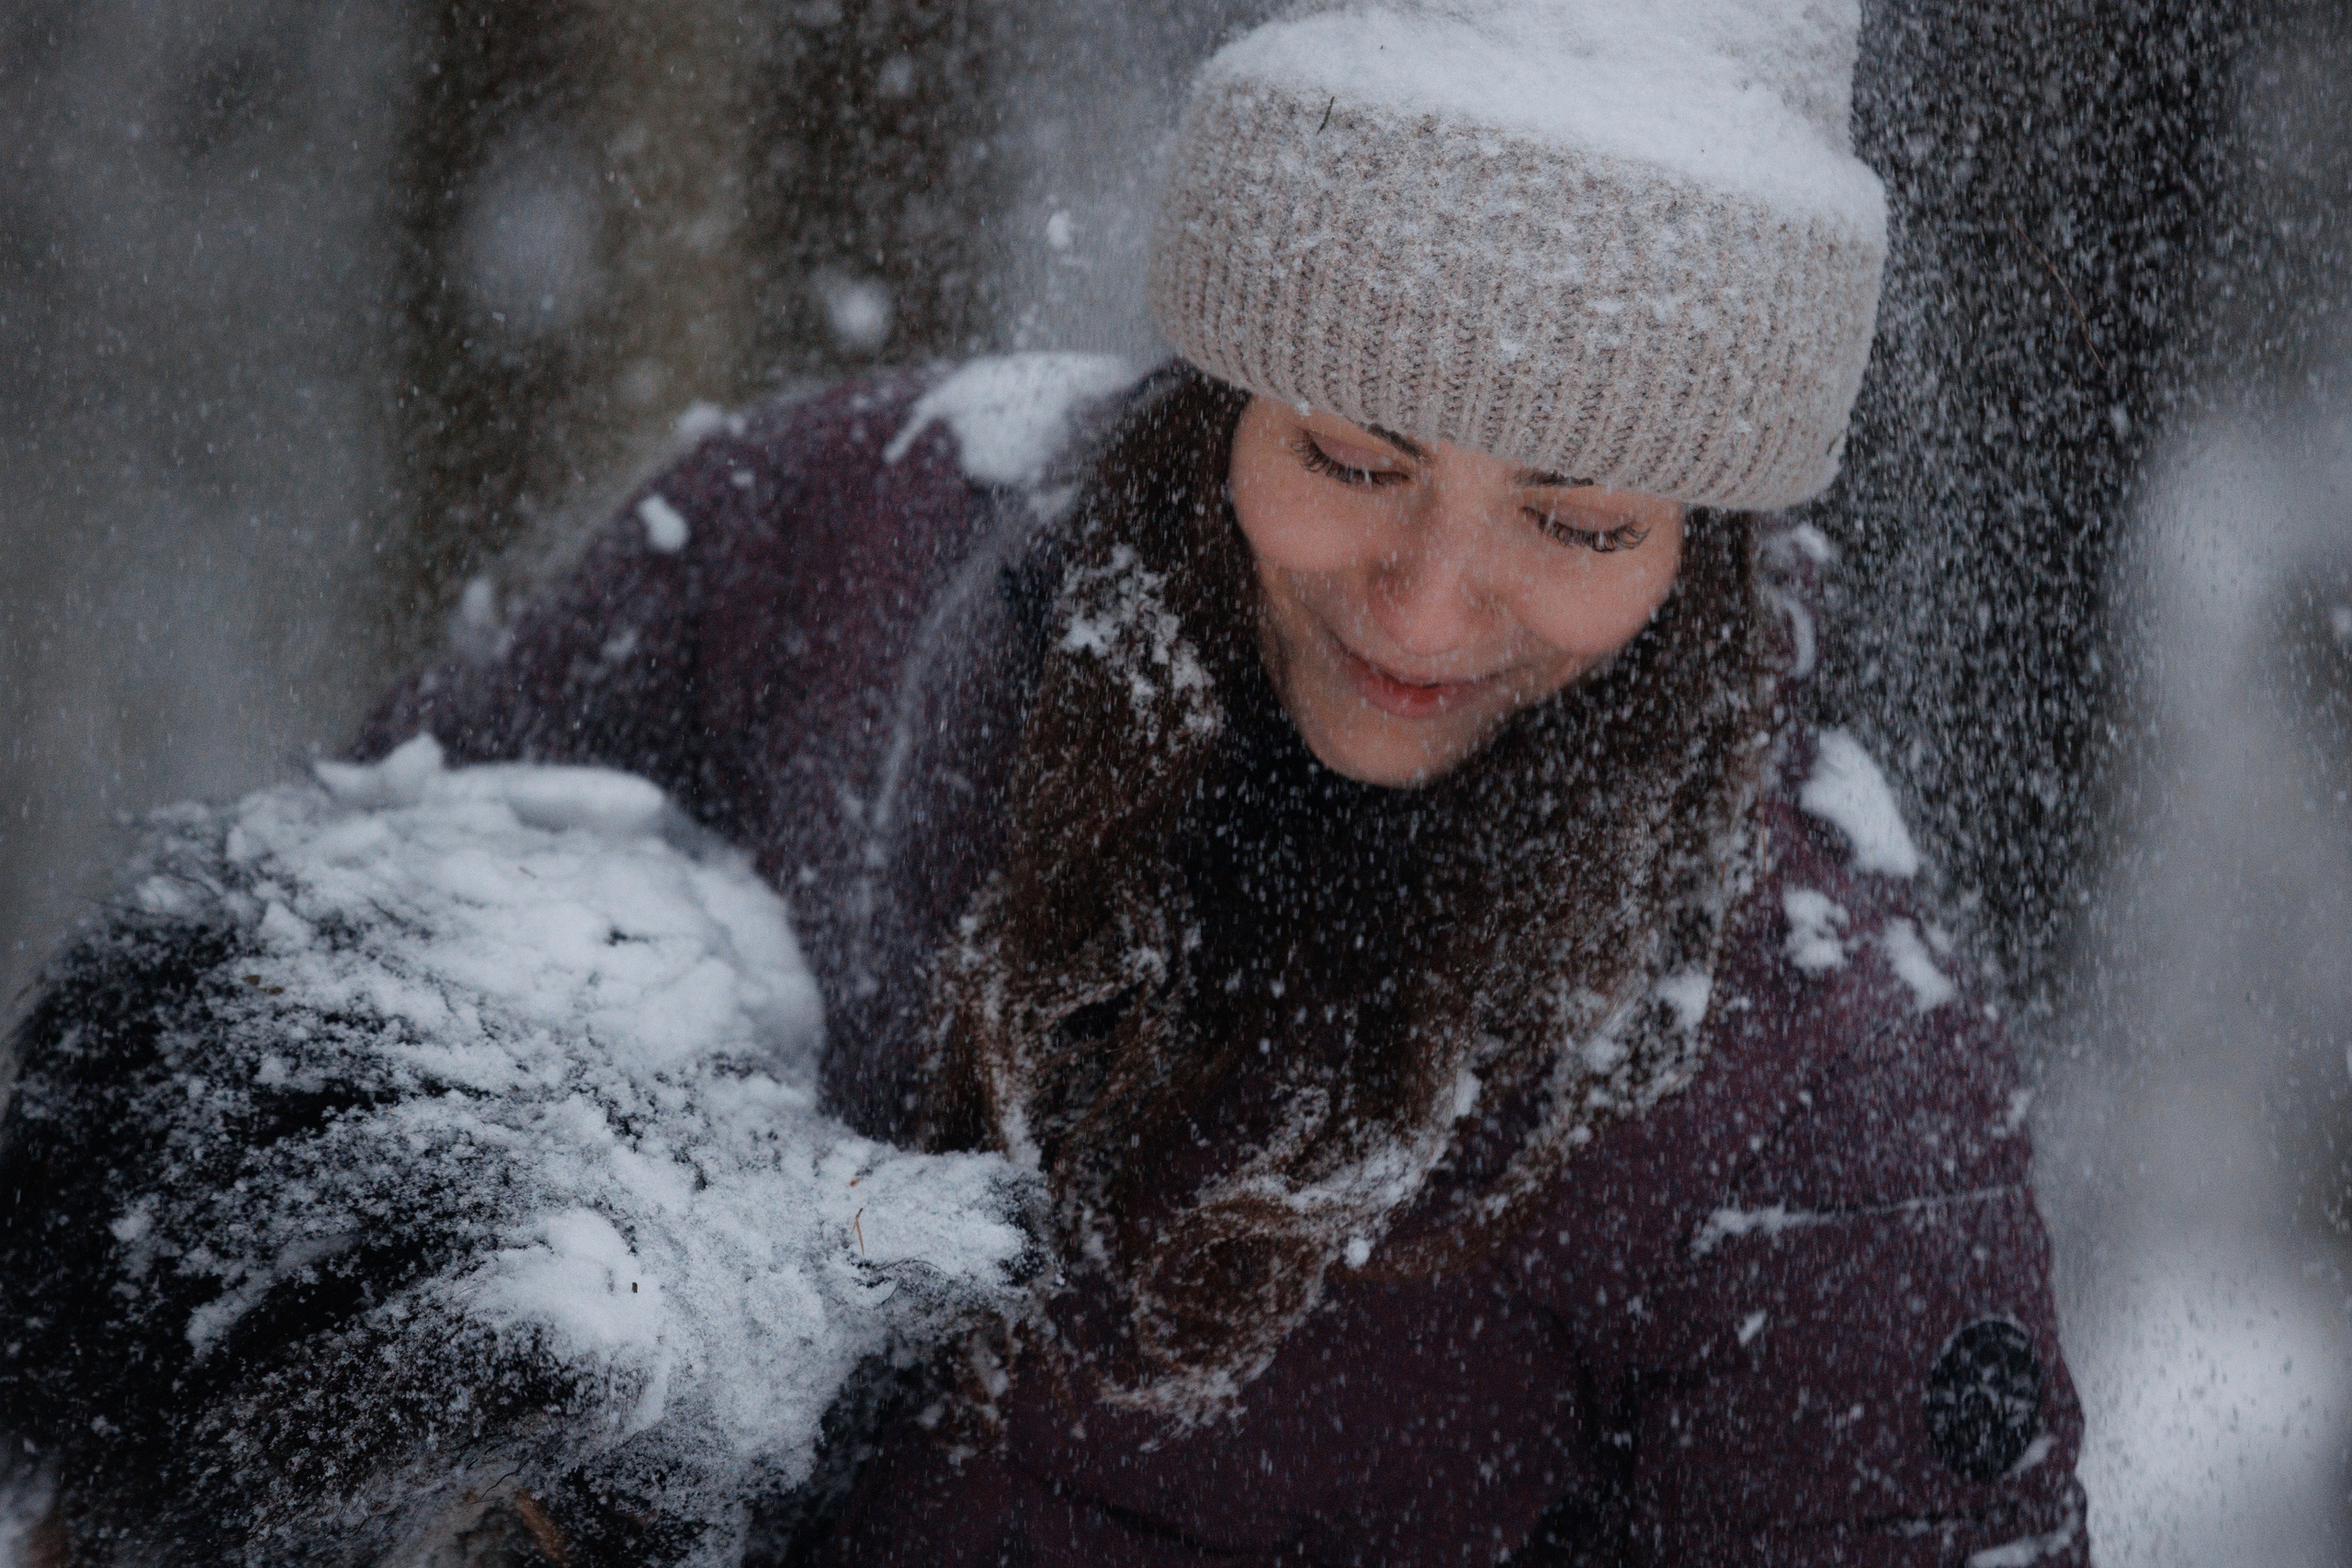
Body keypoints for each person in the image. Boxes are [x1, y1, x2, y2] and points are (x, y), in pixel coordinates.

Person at [11, 0, 2086, 1562]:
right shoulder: (825, 542)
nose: (1433, 602)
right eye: (1352, 458)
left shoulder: (1820, 1063)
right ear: (1217, 395)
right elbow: (289, 967)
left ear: (1708, 537)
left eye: (1578, 521)